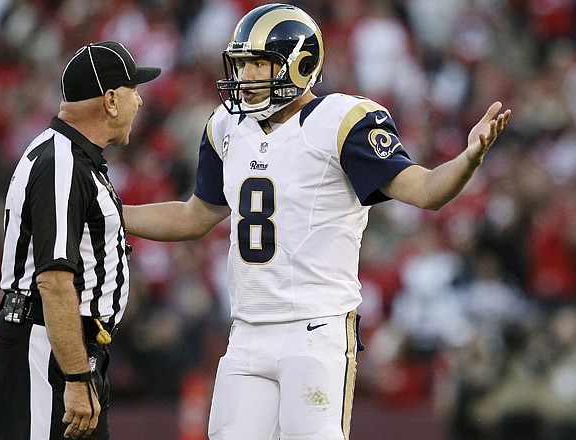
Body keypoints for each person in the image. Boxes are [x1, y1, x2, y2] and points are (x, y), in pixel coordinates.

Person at [123, 3, 511, 439]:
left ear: (301, 64)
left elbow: (424, 190)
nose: (246, 77)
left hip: (315, 327)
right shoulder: (225, 126)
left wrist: (467, 159)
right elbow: (195, 216)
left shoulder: (341, 121)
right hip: (247, 329)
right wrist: (115, 213)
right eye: (242, 64)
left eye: (259, 65)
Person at [0, 41, 160, 439]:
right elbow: (53, 279)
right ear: (111, 100)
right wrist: (77, 376)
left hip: (61, 346)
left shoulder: (69, 157)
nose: (141, 102)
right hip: (46, 344)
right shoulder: (61, 164)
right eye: (135, 91)